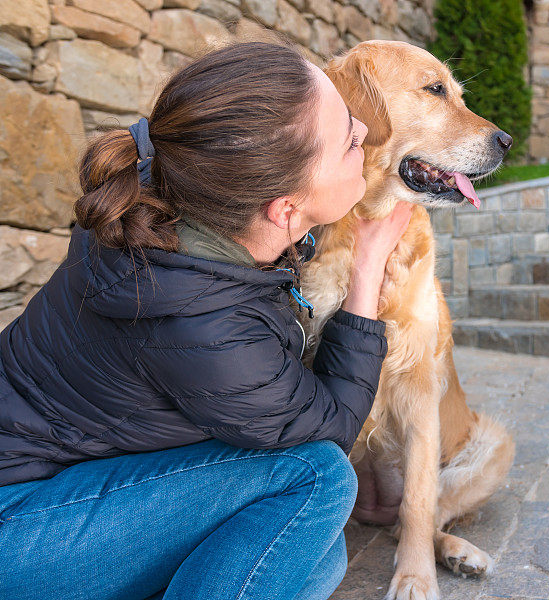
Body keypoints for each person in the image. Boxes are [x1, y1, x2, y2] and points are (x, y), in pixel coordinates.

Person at [0, 41, 414, 600]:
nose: (365, 133)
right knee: (316, 480)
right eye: (347, 139)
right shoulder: (199, 320)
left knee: (310, 553)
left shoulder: (179, 188)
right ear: (285, 208)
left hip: (53, 477)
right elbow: (332, 425)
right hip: (19, 526)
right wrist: (367, 273)